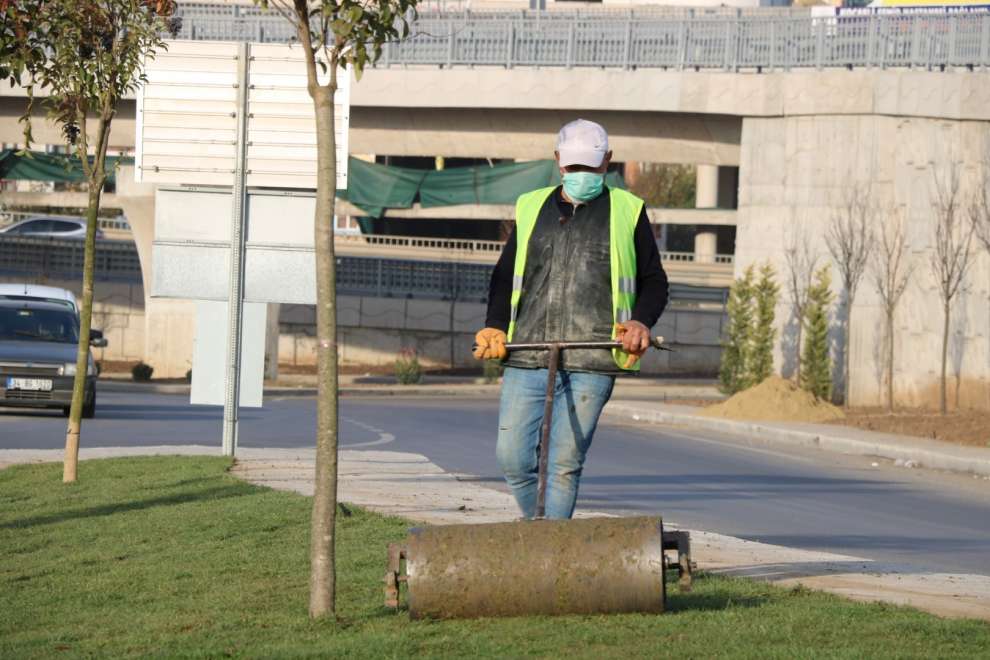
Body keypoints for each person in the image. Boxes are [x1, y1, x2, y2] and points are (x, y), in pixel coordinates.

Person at [473, 119, 669, 520]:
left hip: (594, 356)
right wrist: (494, 324)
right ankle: (548, 540)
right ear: (559, 161)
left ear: (608, 162)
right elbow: (504, 275)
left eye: (592, 167)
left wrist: (641, 322)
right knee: (512, 459)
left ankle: (547, 555)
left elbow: (654, 281)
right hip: (527, 351)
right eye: (574, 167)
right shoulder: (530, 207)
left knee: (563, 463)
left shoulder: (628, 212)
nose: (582, 175)